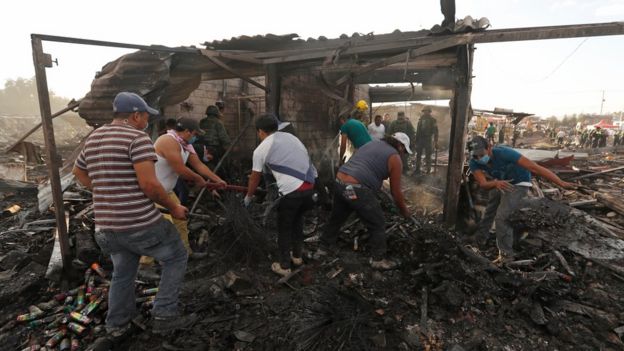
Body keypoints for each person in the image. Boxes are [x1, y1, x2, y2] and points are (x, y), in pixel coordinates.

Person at [72, 92, 196, 336]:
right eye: (146, 116)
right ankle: (164, 314)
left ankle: (117, 324)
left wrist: (108, 191)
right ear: (136, 115)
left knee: (123, 272)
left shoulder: (95, 137)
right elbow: (150, 186)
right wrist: (173, 208)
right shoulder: (137, 138)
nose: (147, 121)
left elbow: (79, 172)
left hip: (106, 229)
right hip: (139, 224)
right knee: (177, 256)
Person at [467, 136, 576, 263]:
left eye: (481, 155)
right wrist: (496, 184)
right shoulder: (474, 162)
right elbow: (483, 184)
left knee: (502, 217)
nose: (479, 159)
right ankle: (481, 240)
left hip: (519, 181)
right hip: (499, 182)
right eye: (475, 156)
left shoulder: (504, 153)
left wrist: (560, 182)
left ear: (489, 148)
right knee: (491, 208)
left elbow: (535, 168)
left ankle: (506, 255)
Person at [313, 133, 412, 270]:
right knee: (378, 223)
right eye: (405, 151)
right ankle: (378, 259)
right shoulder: (395, 158)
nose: (403, 155)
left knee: (337, 218)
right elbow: (396, 192)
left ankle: (322, 249)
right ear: (400, 146)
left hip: (341, 183)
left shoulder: (371, 143)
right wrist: (405, 212)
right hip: (356, 189)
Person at [145, 117, 227, 263]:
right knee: (160, 227)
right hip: (154, 193)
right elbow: (180, 169)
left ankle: (184, 253)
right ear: (187, 132)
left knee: (181, 221)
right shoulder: (168, 140)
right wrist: (198, 179)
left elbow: (199, 165)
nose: (196, 137)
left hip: (168, 192)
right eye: (195, 134)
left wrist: (216, 179)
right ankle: (146, 264)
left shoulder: (186, 145)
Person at [245, 114, 318, 277]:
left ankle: (284, 266)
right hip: (310, 189)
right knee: (298, 221)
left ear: (260, 131)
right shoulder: (292, 138)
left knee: (284, 228)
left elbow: (254, 178)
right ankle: (297, 256)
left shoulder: (261, 149)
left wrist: (248, 197)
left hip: (292, 192)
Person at [414, 107, 439, 174]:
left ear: (429, 112)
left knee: (428, 155)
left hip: (428, 139)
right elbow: (418, 131)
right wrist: (416, 141)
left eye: (427, 111)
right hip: (420, 139)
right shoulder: (420, 119)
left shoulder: (433, 120)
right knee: (418, 155)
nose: (425, 112)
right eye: (424, 111)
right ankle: (417, 169)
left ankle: (428, 169)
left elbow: (435, 131)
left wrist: (436, 141)